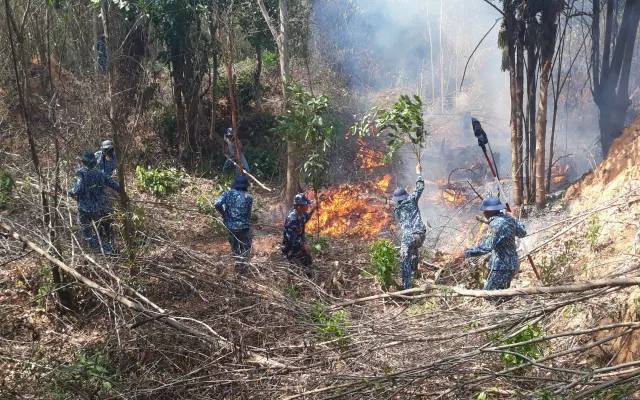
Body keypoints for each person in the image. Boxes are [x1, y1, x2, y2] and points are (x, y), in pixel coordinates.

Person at [454, 196, 527, 303]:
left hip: (502, 266)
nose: (484, 213)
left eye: (485, 211)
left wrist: (465, 253)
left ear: (490, 211)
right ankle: (509, 310)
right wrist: (515, 218)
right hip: (513, 264)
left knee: (489, 294)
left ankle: (521, 297)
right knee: (502, 293)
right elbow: (522, 233)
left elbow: (486, 247)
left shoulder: (496, 224)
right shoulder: (510, 218)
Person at [68, 151, 120, 253]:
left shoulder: (80, 173)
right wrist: (122, 190)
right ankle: (108, 249)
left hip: (85, 208)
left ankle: (98, 248)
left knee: (85, 229)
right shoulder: (100, 173)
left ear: (83, 162)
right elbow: (114, 185)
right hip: (99, 208)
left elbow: (77, 189)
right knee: (101, 229)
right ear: (95, 162)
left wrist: (69, 192)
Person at [393, 164, 427, 289]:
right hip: (421, 235)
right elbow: (420, 187)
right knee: (413, 252)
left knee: (404, 259)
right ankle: (414, 277)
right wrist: (418, 173)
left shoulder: (397, 210)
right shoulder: (412, 200)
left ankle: (406, 287)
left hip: (409, 237)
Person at [215, 176, 253, 272]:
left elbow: (217, 204)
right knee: (246, 247)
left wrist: (224, 214)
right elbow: (249, 213)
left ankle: (237, 267)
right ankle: (244, 269)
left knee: (235, 247)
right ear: (246, 187)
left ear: (235, 186)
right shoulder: (249, 197)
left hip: (231, 226)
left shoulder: (228, 194)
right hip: (244, 227)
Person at [281, 193, 316, 278]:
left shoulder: (301, 213)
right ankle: (291, 286)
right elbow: (290, 238)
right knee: (294, 269)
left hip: (300, 244)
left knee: (308, 263)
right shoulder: (292, 219)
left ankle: (309, 282)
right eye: (305, 205)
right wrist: (303, 245)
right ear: (299, 207)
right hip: (292, 248)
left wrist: (314, 208)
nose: (307, 206)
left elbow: (306, 217)